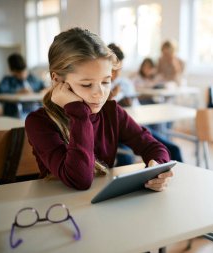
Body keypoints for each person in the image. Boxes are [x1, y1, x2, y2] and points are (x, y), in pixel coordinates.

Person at [25, 27, 173, 191]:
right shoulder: (39, 122)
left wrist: (158, 168)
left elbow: (153, 147)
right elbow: (80, 180)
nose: (100, 93)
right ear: (57, 79)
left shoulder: (111, 112)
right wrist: (79, 113)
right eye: (87, 84)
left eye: (105, 82)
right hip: (59, 210)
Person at [107, 43, 184, 166]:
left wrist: (131, 103)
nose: (115, 75)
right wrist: (112, 98)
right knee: (126, 158)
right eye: (112, 70)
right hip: (116, 133)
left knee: (173, 149)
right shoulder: (101, 88)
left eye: (119, 70)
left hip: (134, 126)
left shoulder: (125, 84)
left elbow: (137, 109)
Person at [0, 53, 46, 118]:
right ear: (13, 71)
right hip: (16, 111)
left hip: (34, 109)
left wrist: (44, 90)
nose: (23, 74)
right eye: (19, 72)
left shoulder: (31, 78)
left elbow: (43, 86)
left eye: (24, 71)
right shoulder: (8, 80)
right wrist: (17, 91)